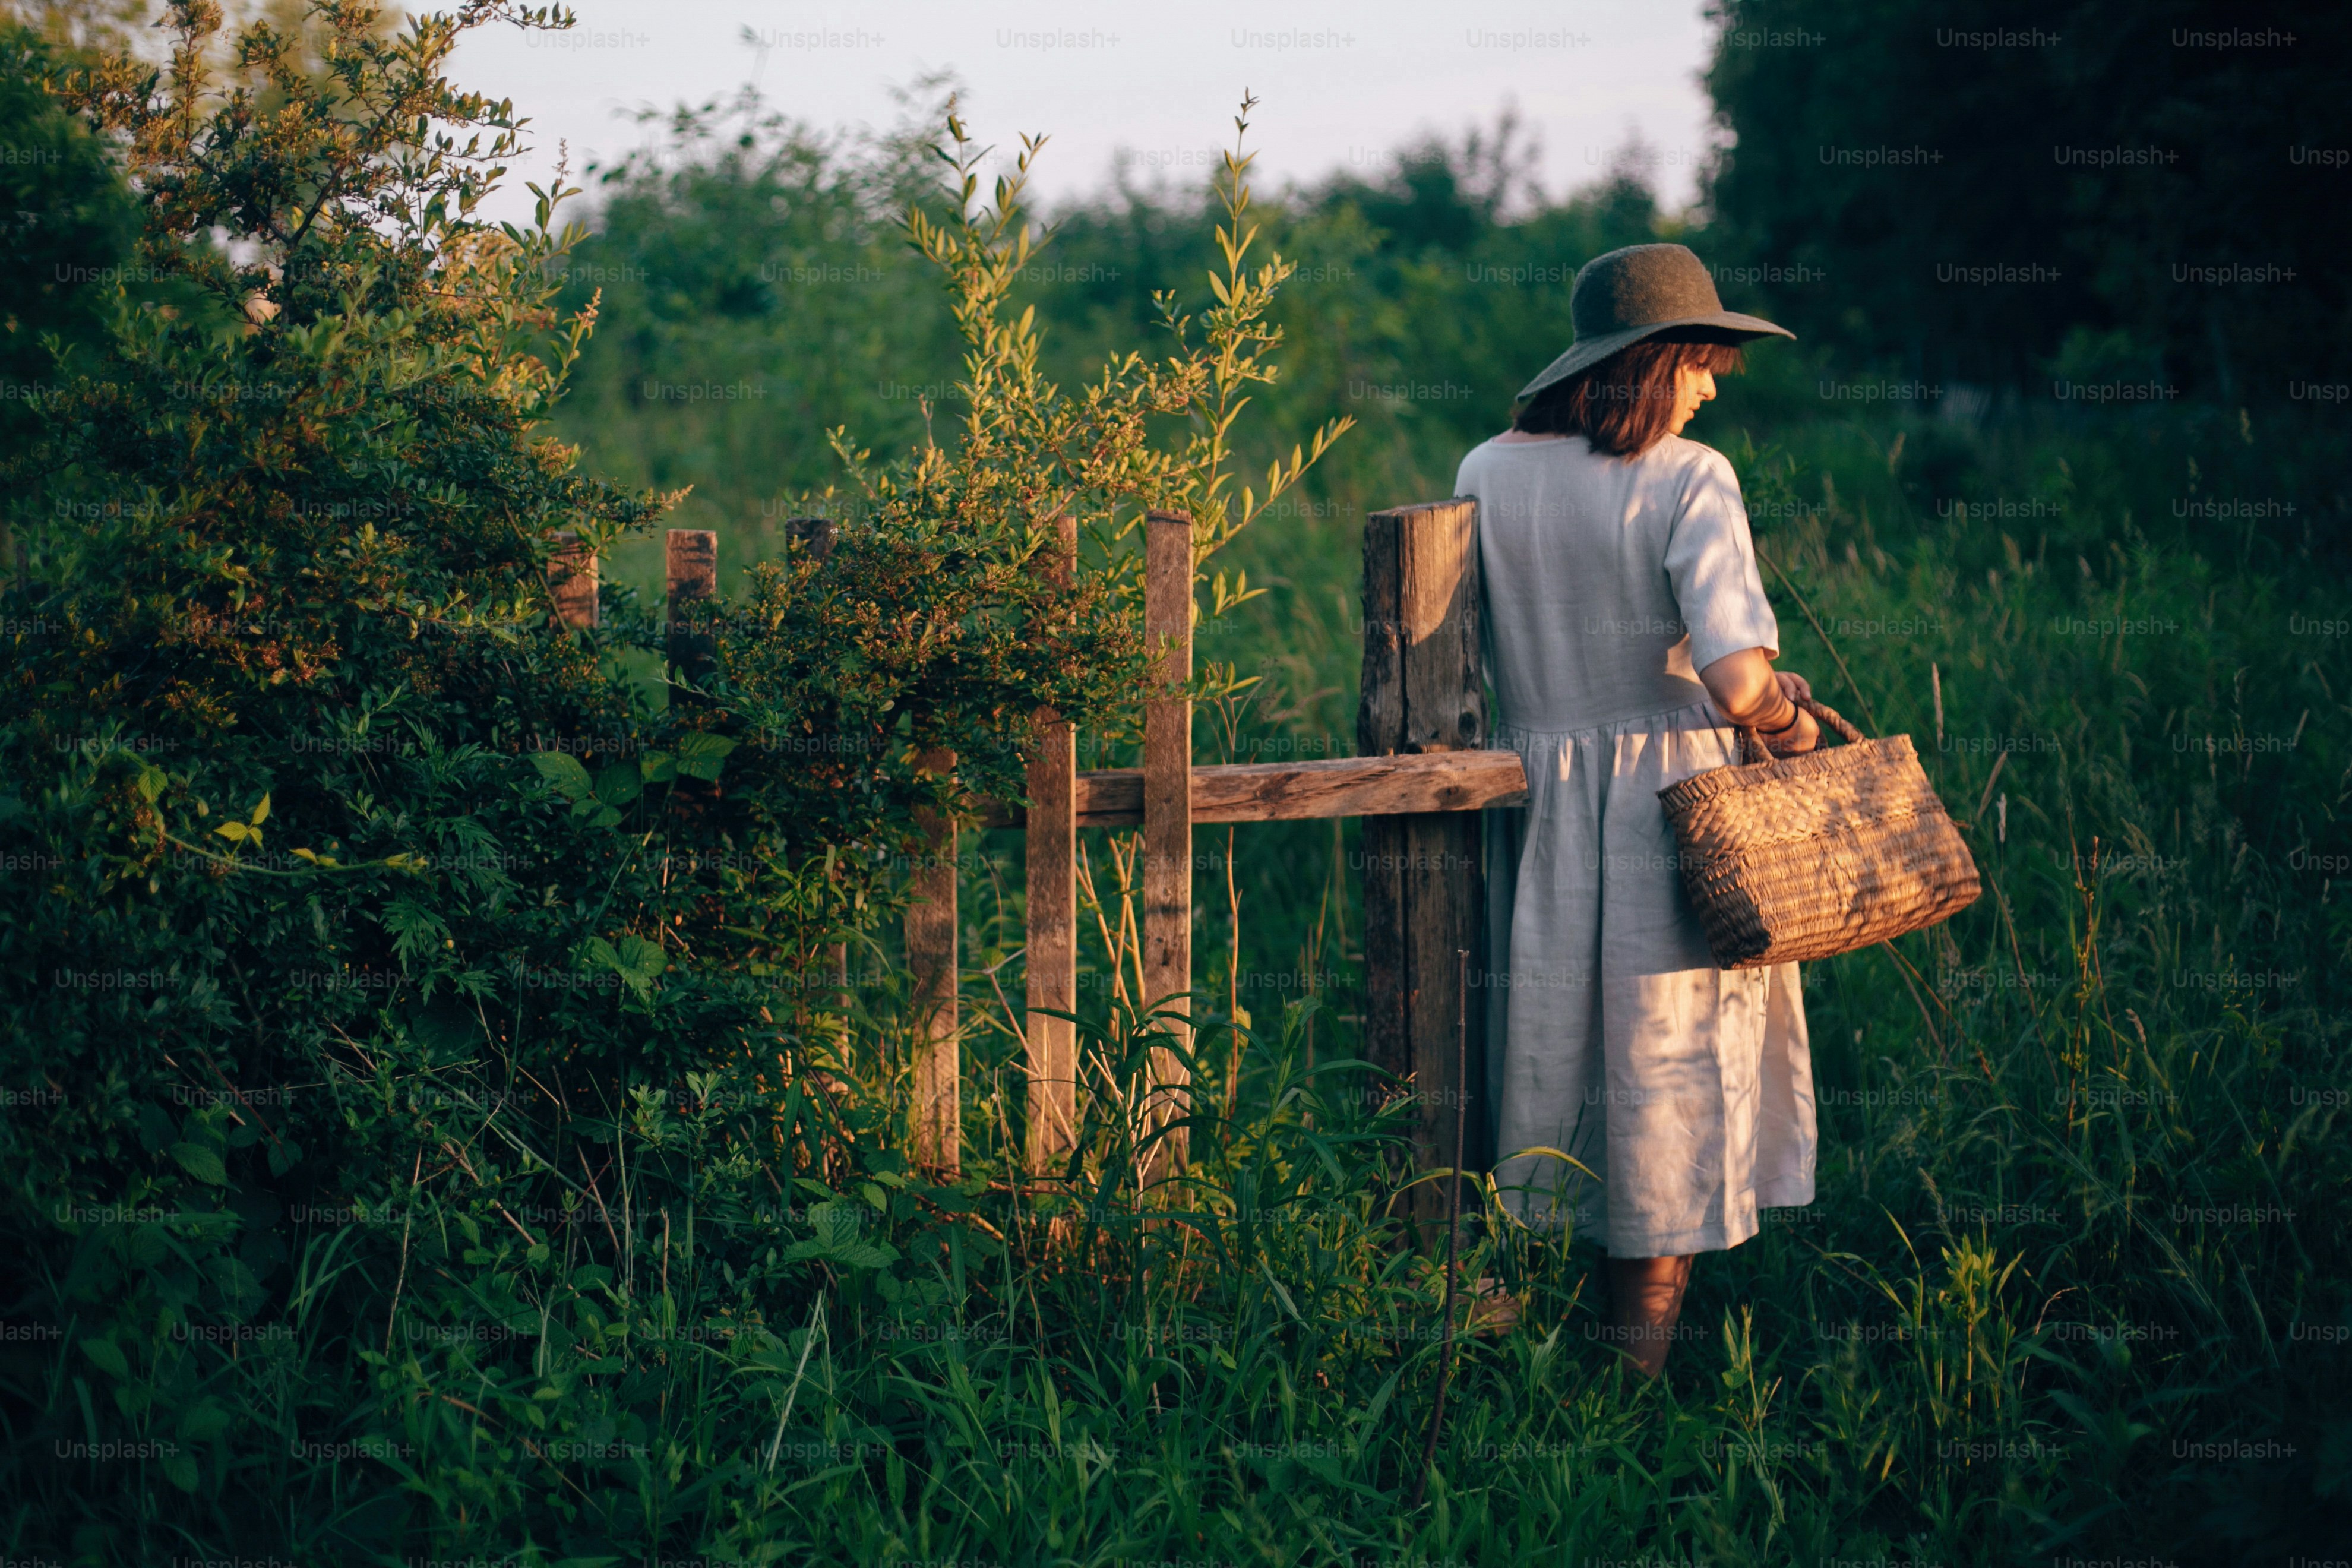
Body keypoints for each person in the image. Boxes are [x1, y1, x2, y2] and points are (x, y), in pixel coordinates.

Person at [1456, 242, 1819, 1378]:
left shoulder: (1484, 470)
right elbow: (1737, 683)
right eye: (1703, 362)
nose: (1713, 387)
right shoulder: (1687, 476)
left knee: (1551, 1067)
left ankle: (1524, 1353)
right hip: (1675, 819)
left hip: (1538, 808)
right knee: (1667, 1080)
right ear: (1650, 365)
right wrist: (1793, 716)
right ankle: (1632, 1387)